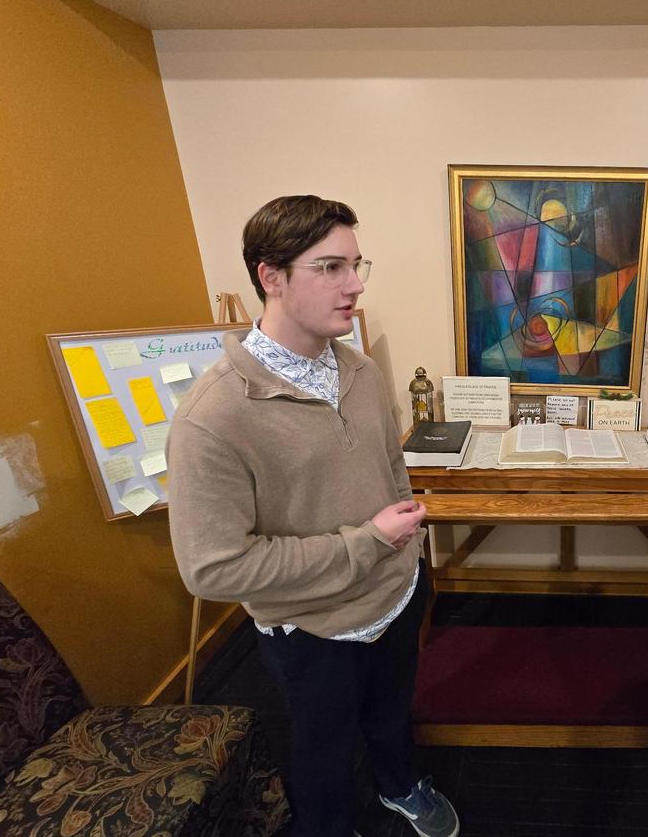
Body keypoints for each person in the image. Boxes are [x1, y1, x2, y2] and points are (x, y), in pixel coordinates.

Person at [167, 195, 459, 837]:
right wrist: (367, 542)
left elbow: (390, 473)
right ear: (271, 277)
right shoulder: (211, 418)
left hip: (396, 593)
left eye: (356, 265)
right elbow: (213, 569)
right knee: (321, 751)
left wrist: (402, 555)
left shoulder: (358, 371)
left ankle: (400, 786)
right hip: (312, 627)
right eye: (330, 267)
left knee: (390, 715)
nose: (353, 285)